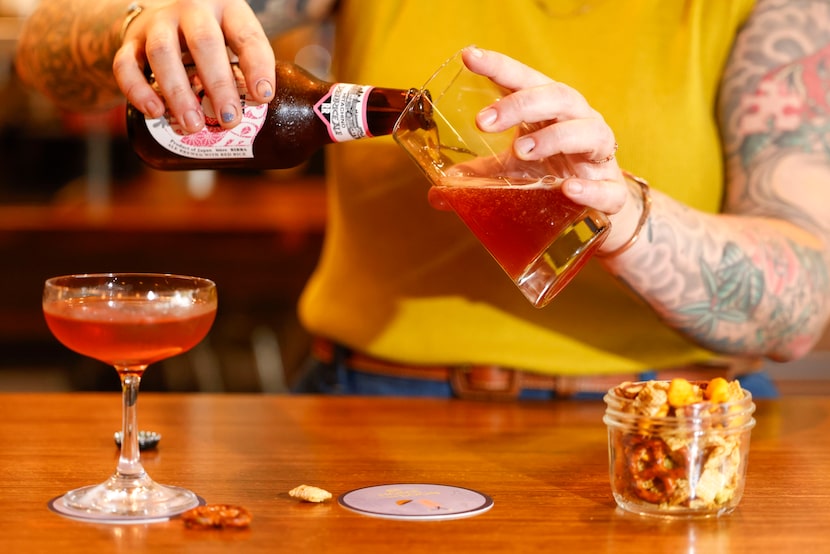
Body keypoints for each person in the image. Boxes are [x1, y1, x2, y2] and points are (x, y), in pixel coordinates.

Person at [15, 0, 830, 399]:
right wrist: (140, 22)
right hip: (365, 403)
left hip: (667, 420)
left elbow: (804, 304)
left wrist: (619, 217)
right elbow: (43, 46)